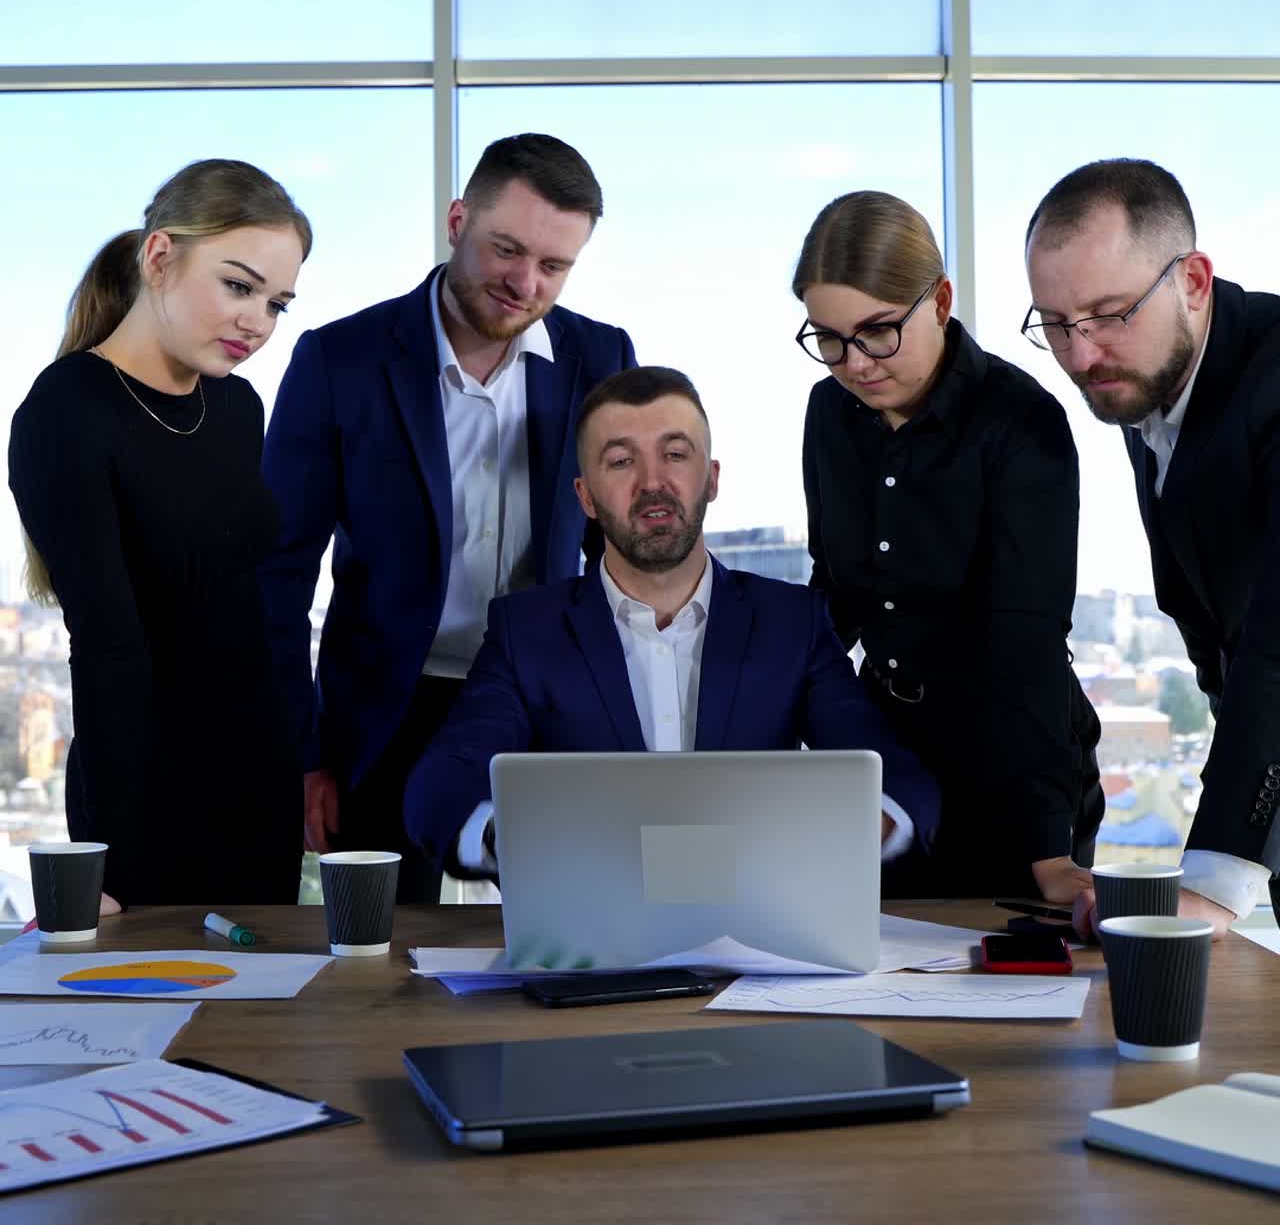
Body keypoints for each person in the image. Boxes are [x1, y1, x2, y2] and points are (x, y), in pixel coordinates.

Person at [260, 133, 636, 903]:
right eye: (507, 249)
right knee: (378, 966)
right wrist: (304, 755)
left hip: (542, 703)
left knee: (570, 939)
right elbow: (277, 578)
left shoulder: (602, 358)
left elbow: (618, 553)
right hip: (383, 718)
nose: (526, 283)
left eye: (555, 266)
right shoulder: (340, 362)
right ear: (458, 219)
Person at [403, 366, 941, 884]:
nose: (652, 483)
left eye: (675, 454)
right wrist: (523, 839)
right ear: (585, 497)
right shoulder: (526, 632)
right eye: (620, 461)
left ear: (710, 479)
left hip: (762, 939)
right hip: (587, 947)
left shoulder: (792, 623)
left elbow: (893, 772)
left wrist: (858, 830)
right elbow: (443, 783)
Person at [8, 158, 311, 908]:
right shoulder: (65, 411)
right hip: (147, 798)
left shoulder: (239, 409)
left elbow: (248, 613)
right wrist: (103, 860)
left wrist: (295, 768)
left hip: (259, 785)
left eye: (278, 303)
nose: (257, 321)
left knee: (269, 1018)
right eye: (239, 286)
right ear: (159, 257)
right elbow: (108, 645)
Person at [793, 191, 1103, 904]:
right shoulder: (828, 413)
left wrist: (1045, 847)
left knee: (1001, 993)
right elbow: (833, 593)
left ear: (939, 299)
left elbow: (1027, 641)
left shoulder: (1022, 420)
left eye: (877, 331)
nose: (854, 363)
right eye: (829, 338)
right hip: (889, 759)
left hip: (1013, 762)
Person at [1024, 157, 1280, 936]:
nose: (1081, 355)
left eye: (1107, 315)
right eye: (1057, 324)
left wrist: (1214, 876)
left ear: (1194, 283)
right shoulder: (1155, 386)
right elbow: (1224, 650)